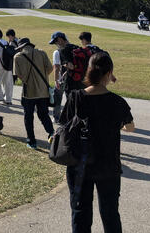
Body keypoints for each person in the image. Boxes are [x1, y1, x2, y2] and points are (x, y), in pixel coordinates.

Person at [61, 51, 134, 233]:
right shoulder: (117, 102)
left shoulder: (75, 97)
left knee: (80, 212)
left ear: (89, 71)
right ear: (109, 74)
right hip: (108, 164)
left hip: (79, 163)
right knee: (110, 214)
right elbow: (130, 127)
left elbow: (64, 125)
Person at [13, 37, 55, 150]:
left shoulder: (18, 57)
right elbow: (50, 69)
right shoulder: (41, 53)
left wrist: (28, 80)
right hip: (43, 91)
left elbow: (18, 75)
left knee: (28, 117)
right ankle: (52, 133)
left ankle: (32, 141)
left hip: (28, 92)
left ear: (21, 47)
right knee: (44, 115)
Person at [50, 31, 80, 99]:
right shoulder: (77, 48)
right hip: (79, 78)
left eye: (55, 42)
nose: (55, 44)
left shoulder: (57, 52)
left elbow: (56, 67)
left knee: (58, 101)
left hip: (65, 80)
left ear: (60, 40)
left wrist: (56, 80)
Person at [0, 29, 14, 105]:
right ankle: (8, 99)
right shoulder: (6, 42)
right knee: (8, 83)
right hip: (8, 65)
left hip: (1, 65)